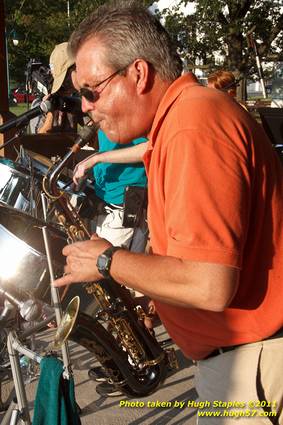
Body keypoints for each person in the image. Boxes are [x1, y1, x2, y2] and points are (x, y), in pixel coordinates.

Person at [53, 2, 283, 423]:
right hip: (243, 358)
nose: (85, 107)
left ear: (138, 74)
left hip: (249, 364)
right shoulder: (178, 123)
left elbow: (210, 286)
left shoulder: (193, 124)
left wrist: (107, 260)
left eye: (91, 90)